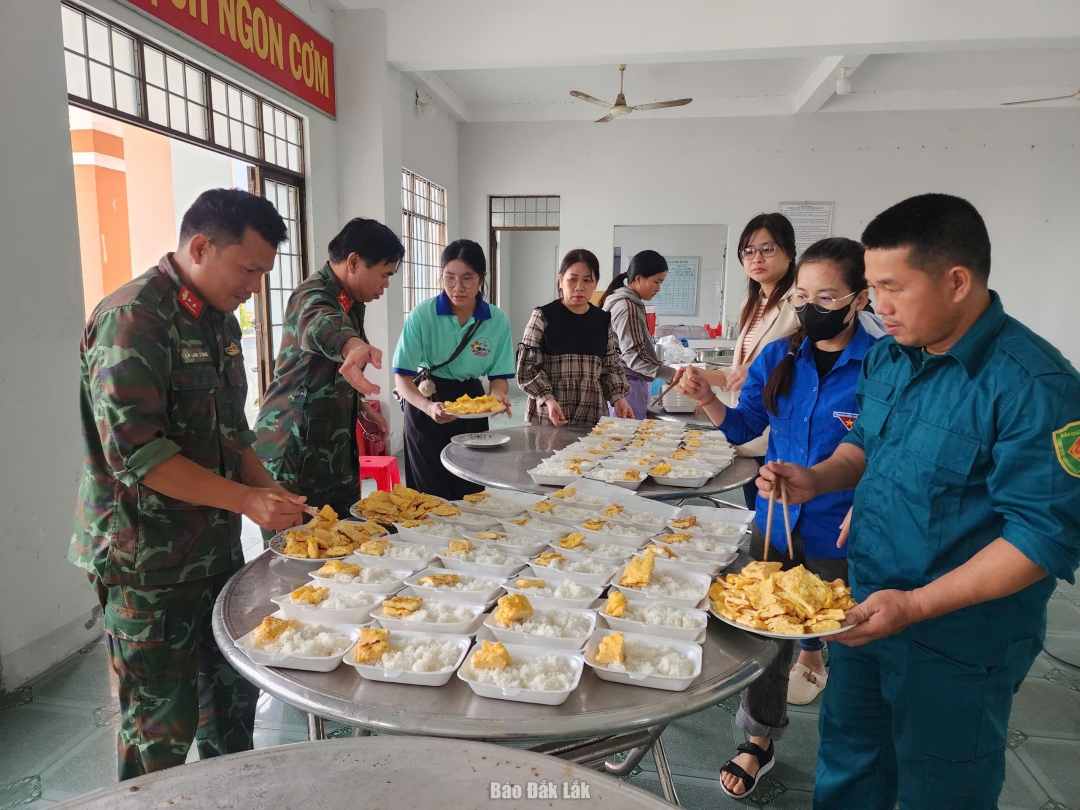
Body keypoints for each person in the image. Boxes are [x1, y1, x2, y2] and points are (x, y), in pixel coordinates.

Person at [758, 194, 1080, 810]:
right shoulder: (891, 358)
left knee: (942, 785)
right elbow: (864, 447)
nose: (876, 305)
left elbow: (1041, 538)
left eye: (891, 287)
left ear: (957, 281)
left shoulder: (1034, 387)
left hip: (956, 639)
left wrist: (917, 604)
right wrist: (816, 478)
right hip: (867, 604)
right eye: (872, 288)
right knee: (850, 759)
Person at [68, 189, 308, 779]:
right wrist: (248, 501)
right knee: (160, 727)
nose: (254, 286)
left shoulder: (219, 322)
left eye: (262, 273)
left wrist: (271, 493)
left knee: (230, 708)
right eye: (248, 269)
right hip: (145, 564)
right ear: (201, 247)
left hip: (213, 555)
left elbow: (234, 432)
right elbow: (141, 457)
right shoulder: (132, 320)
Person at [678, 237, 877, 800]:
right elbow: (742, 429)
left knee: (840, 628)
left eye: (827, 296)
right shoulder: (780, 356)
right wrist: (706, 399)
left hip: (838, 528)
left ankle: (847, 740)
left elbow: (885, 448)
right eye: (803, 296)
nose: (812, 307)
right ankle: (759, 739)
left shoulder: (879, 367)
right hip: (773, 519)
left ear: (859, 299)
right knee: (766, 632)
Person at [254, 218, 403, 529]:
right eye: (384, 275)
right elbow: (322, 325)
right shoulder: (311, 295)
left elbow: (320, 373)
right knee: (297, 560)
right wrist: (351, 345)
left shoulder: (350, 300)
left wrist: (356, 404)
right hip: (294, 455)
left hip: (333, 456)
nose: (386, 285)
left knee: (344, 550)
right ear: (353, 262)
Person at [393, 239, 515, 499]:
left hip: (472, 402)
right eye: (449, 278)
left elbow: (499, 376)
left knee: (469, 487)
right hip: (426, 399)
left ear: (482, 277)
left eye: (467, 278)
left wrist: (496, 397)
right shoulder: (422, 315)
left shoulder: (495, 320)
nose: (457, 288)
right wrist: (427, 407)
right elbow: (402, 378)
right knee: (429, 492)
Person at [517, 249, 634, 426]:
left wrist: (618, 398)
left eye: (587, 280)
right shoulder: (543, 316)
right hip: (550, 414)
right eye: (572, 279)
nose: (579, 286)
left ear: (596, 283)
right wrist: (547, 399)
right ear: (561, 281)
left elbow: (610, 367)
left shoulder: (602, 321)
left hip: (591, 412)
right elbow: (528, 369)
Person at [600, 249, 674, 418]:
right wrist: (671, 374)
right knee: (628, 441)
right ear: (639, 278)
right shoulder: (628, 308)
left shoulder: (626, 303)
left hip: (622, 384)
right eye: (657, 282)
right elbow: (635, 357)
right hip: (628, 386)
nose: (659, 288)